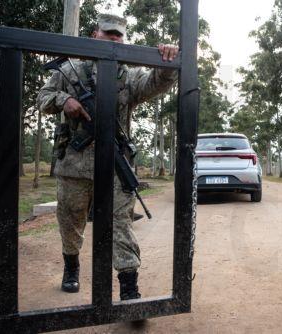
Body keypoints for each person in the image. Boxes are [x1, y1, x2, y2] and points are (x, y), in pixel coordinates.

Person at [37, 14, 178, 299]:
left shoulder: (127, 75)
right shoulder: (68, 70)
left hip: (115, 165)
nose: (115, 39)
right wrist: (66, 101)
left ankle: (129, 288)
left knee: (121, 225)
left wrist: (168, 63)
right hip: (74, 165)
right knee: (70, 220)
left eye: (119, 36)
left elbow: (155, 83)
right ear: (95, 35)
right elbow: (43, 98)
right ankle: (71, 268)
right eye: (109, 34)